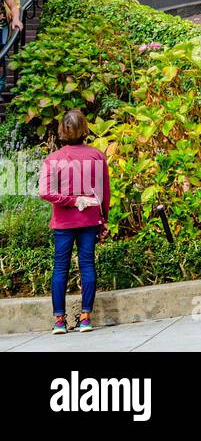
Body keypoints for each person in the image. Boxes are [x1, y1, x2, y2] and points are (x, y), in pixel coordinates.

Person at [39, 109, 110, 334]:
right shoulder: (97, 156)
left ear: (62, 130)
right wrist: (103, 219)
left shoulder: (53, 159)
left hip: (63, 223)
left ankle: (59, 321)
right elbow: (104, 192)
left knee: (60, 268)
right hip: (90, 220)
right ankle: (86, 318)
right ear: (84, 129)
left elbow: (45, 192)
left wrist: (70, 201)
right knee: (87, 265)